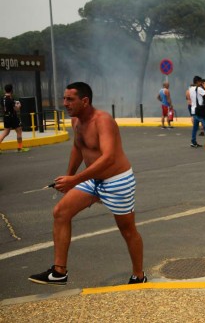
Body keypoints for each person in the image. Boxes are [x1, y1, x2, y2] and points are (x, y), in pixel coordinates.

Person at [28, 82, 145, 286]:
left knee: (127, 230)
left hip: (117, 181)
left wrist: (75, 180)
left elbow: (108, 157)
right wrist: (68, 177)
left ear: (85, 101)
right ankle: (59, 272)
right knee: (61, 212)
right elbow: (78, 148)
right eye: (64, 98)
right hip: (92, 179)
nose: (65, 103)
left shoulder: (103, 121)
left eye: (70, 99)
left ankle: (139, 276)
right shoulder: (76, 121)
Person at [0, 84, 28, 152]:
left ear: (5, 90)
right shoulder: (10, 99)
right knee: (19, 130)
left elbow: (4, 107)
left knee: (5, 132)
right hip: (12, 117)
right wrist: (19, 105)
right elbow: (16, 109)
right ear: (11, 90)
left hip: (6, 117)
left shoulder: (2, 98)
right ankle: (20, 147)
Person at [189, 76, 205, 148]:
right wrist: (204, 86)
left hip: (194, 110)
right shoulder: (199, 89)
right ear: (197, 82)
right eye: (200, 81)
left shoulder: (190, 89)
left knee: (195, 128)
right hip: (200, 110)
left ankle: (193, 141)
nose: (201, 83)